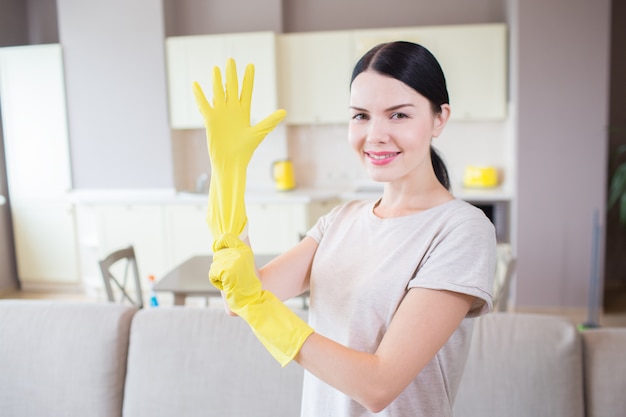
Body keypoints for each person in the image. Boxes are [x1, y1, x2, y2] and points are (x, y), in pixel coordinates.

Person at [195, 41, 496, 417]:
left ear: (439, 118)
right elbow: (239, 299)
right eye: (361, 116)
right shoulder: (339, 221)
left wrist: (266, 314)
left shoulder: (461, 231)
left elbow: (378, 385)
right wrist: (228, 175)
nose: (376, 134)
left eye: (398, 115)